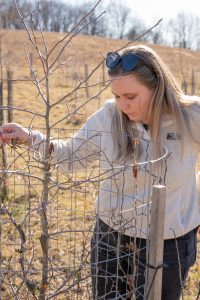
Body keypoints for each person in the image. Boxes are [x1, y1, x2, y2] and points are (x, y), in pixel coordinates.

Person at [0, 45, 199, 300]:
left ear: (157, 86)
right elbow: (71, 155)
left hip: (169, 241)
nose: (123, 105)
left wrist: (195, 206)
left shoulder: (190, 116)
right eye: (117, 96)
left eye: (131, 96)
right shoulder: (108, 117)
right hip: (110, 238)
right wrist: (29, 139)